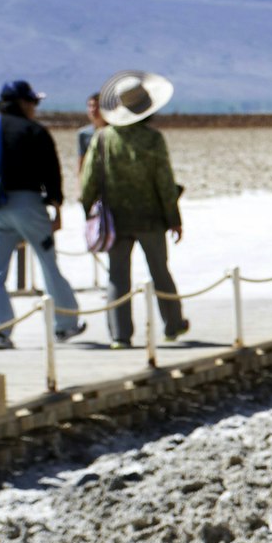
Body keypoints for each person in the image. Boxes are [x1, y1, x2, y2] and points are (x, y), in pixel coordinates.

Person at [0, 80, 83, 347]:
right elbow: (51, 172)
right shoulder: (35, 131)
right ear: (21, 103)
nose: (35, 108)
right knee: (48, 262)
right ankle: (65, 324)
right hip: (29, 204)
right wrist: (56, 206)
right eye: (33, 102)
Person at [80, 70, 190, 350]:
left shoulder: (103, 138)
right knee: (159, 271)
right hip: (151, 218)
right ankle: (173, 324)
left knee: (117, 276)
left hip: (115, 220)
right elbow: (164, 182)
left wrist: (88, 212)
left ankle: (120, 335)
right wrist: (173, 218)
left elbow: (89, 181)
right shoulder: (152, 140)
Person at [76, 92, 104, 178]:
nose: (93, 110)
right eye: (90, 106)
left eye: (97, 106)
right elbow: (81, 161)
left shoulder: (114, 133)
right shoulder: (83, 134)